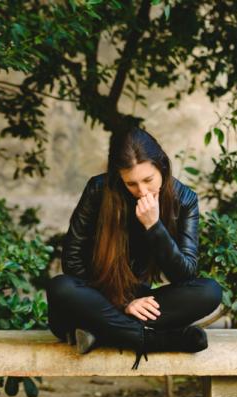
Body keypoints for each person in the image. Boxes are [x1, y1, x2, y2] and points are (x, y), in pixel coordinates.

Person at [46, 127, 222, 369]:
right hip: (95, 299)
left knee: (209, 291)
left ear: (162, 166)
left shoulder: (185, 200)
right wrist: (121, 303)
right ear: (119, 177)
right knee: (61, 287)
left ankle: (102, 332)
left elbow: (185, 274)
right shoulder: (99, 190)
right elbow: (72, 261)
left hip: (138, 304)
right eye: (131, 183)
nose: (142, 191)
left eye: (148, 180)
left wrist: (154, 226)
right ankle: (151, 340)